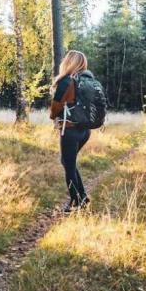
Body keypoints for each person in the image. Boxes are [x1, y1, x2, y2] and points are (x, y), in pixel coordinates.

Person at [50, 50, 93, 212]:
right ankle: (82, 196)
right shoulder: (88, 81)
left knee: (68, 166)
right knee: (69, 162)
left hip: (70, 130)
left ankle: (76, 202)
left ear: (69, 62)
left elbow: (56, 106)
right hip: (85, 131)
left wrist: (53, 115)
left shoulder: (66, 81)